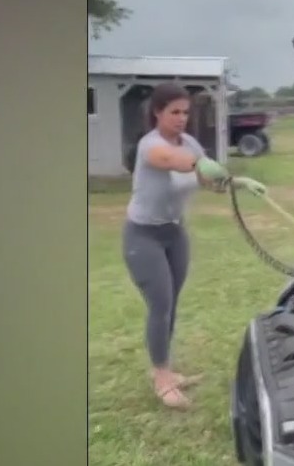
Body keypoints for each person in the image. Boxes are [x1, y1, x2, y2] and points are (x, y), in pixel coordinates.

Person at [122, 83, 266, 410]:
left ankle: (167, 370)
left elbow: (209, 179)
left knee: (171, 304)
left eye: (185, 112)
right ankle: (161, 378)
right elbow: (175, 161)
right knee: (159, 305)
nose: (181, 118)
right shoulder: (151, 146)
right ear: (157, 112)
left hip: (175, 234)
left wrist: (235, 182)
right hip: (143, 236)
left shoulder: (190, 143)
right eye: (174, 112)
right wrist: (201, 164)